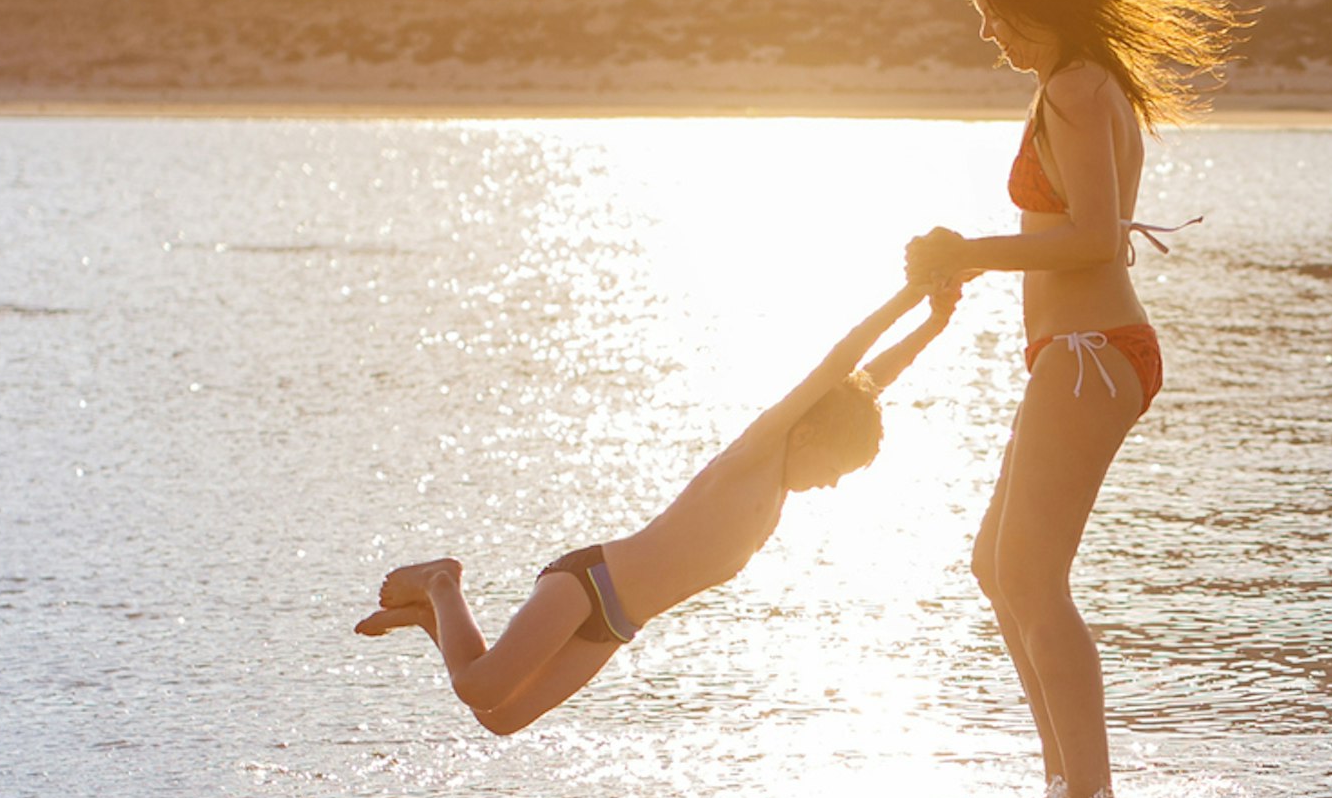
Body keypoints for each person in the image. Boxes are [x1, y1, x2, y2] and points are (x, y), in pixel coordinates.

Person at [904, 0, 1242, 798]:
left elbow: (1098, 235)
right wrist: (969, 263)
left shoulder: (1078, 86)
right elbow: (1077, 229)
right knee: (998, 568)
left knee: (1031, 577)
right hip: (1078, 352)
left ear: (1038, 6)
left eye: (996, 15)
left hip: (1094, 349)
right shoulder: (1076, 84)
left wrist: (968, 249)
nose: (988, 35)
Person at [358, 281, 958, 734]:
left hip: (615, 626)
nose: (830, 486)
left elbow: (870, 382)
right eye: (833, 470)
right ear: (806, 436)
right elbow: (839, 366)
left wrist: (935, 324)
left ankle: (427, 621)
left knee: (501, 719)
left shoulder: (778, 488)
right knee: (480, 689)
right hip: (588, 586)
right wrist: (909, 295)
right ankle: (442, 583)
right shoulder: (756, 455)